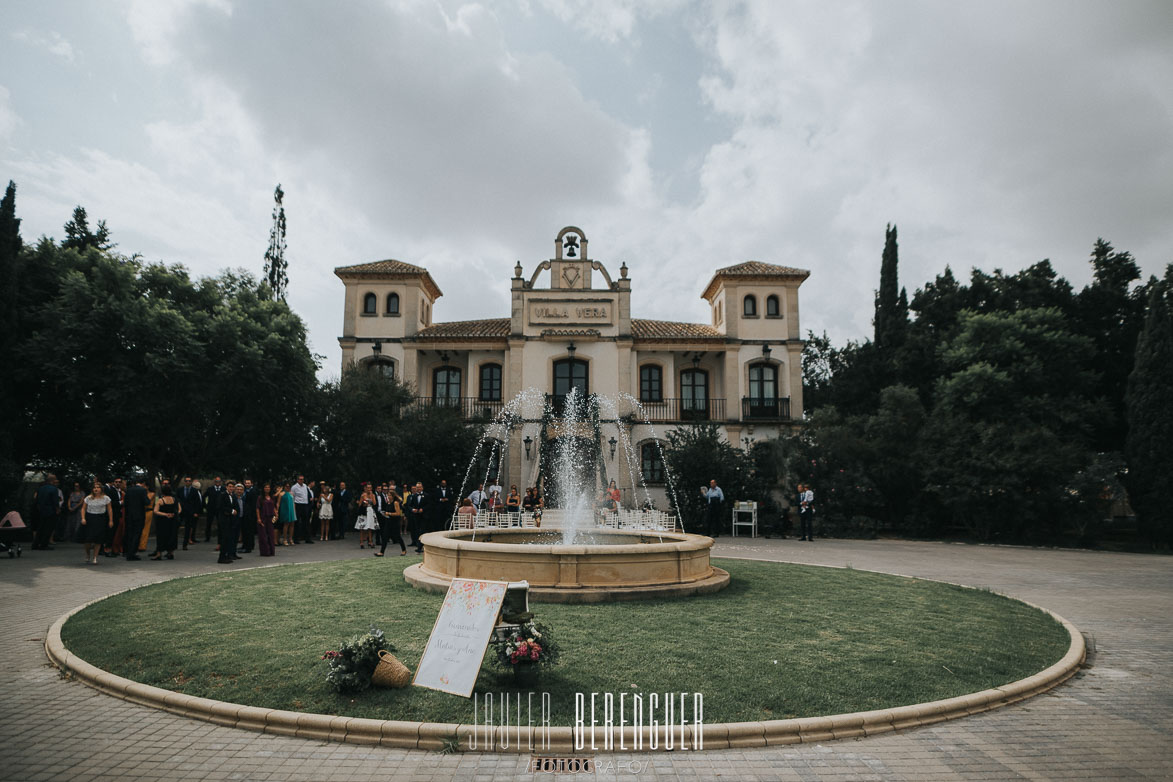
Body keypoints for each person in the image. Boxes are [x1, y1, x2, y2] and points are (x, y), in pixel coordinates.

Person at [80, 482, 114, 565]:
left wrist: (111, 520)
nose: (96, 489)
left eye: (98, 487)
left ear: (101, 489)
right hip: (90, 518)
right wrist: (83, 518)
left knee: (98, 540)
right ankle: (88, 554)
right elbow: (83, 509)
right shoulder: (88, 498)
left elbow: (109, 510)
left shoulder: (106, 498)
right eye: (94, 487)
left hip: (100, 519)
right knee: (88, 540)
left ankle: (95, 557)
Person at [123, 477, 150, 561]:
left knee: (129, 534)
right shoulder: (143, 490)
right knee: (137, 534)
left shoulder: (129, 490)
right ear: (143, 483)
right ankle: (132, 553)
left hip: (129, 515)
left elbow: (125, 502)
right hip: (139, 515)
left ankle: (127, 551)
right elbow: (147, 502)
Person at [375, 484, 406, 557]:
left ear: (393, 496)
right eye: (388, 495)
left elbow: (398, 513)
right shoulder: (388, 503)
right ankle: (381, 552)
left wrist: (389, 513)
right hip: (388, 521)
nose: (388, 497)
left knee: (398, 537)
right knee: (385, 536)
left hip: (395, 522)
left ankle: (404, 550)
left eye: (390, 495)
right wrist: (385, 514)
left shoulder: (395, 503)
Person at [150, 484, 180, 560]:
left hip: (163, 521)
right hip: (172, 521)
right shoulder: (175, 500)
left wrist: (165, 514)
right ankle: (171, 552)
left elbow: (155, 511)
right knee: (171, 535)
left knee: (161, 536)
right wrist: (174, 514)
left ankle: (159, 553)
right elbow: (179, 509)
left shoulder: (161, 500)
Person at [32, 473, 61, 550]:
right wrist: (57, 509)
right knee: (49, 528)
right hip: (50, 511)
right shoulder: (54, 489)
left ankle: (35, 544)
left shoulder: (41, 488)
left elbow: (37, 500)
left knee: (40, 527)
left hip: (41, 510)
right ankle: (44, 544)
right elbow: (55, 501)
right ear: (52, 480)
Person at [218, 483, 244, 564]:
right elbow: (220, 506)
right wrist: (231, 511)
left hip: (231, 521)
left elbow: (235, 506)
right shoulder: (222, 495)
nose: (231, 488)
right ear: (226, 487)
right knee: (225, 539)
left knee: (230, 539)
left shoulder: (233, 496)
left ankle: (229, 555)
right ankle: (221, 557)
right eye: (230, 487)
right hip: (224, 520)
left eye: (232, 487)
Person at [404, 483, 428, 553]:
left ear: (422, 488)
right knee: (417, 530)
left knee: (422, 531)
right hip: (416, 516)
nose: (418, 489)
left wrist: (423, 509)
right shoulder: (414, 496)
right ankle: (418, 545)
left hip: (424, 516)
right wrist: (412, 509)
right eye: (417, 487)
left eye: (420, 487)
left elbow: (429, 505)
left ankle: (421, 546)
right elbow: (409, 505)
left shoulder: (426, 495)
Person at [178, 476, 201, 549]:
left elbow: (197, 502)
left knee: (188, 528)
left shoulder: (194, 491)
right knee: (176, 526)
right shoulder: (180, 490)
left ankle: (185, 544)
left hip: (190, 512)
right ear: (184, 482)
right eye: (186, 481)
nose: (188, 482)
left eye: (189, 481)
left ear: (191, 482)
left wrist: (196, 512)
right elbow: (177, 499)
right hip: (181, 511)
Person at [290, 475, 314, 544]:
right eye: (300, 479)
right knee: (297, 522)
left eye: (302, 479)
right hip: (298, 505)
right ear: (297, 480)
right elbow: (292, 496)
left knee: (306, 522)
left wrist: (310, 500)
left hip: (305, 505)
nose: (301, 480)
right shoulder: (294, 487)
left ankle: (307, 538)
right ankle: (296, 539)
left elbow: (308, 494)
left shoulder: (305, 486)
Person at [202, 476, 226, 543]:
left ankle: (221, 538)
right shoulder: (210, 489)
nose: (217, 482)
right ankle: (207, 537)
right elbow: (204, 497)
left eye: (219, 481)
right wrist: (205, 506)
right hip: (211, 509)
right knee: (208, 524)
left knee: (220, 524)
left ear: (220, 482)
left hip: (220, 509)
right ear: (214, 482)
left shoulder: (224, 489)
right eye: (216, 481)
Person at [355, 484, 379, 549]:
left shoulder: (373, 495)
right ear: (365, 488)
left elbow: (374, 503)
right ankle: (361, 542)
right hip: (364, 512)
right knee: (362, 527)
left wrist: (371, 496)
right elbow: (359, 504)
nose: (369, 489)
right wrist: (363, 503)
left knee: (370, 527)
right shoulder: (363, 495)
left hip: (370, 510)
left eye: (370, 488)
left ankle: (370, 541)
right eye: (368, 488)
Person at [256, 483, 276, 557]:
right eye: (265, 487)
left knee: (271, 535)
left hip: (270, 518)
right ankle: (265, 551)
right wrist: (258, 518)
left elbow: (274, 507)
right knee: (263, 536)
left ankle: (271, 551)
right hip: (263, 517)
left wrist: (276, 515)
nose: (267, 488)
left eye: (268, 487)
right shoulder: (260, 498)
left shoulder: (272, 497)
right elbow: (257, 508)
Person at [239, 479, 258, 553]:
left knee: (249, 531)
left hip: (250, 514)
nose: (247, 484)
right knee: (245, 531)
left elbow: (253, 504)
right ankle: (245, 545)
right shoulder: (245, 491)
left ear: (251, 484)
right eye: (246, 483)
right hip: (244, 513)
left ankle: (248, 547)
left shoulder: (253, 492)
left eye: (248, 483)